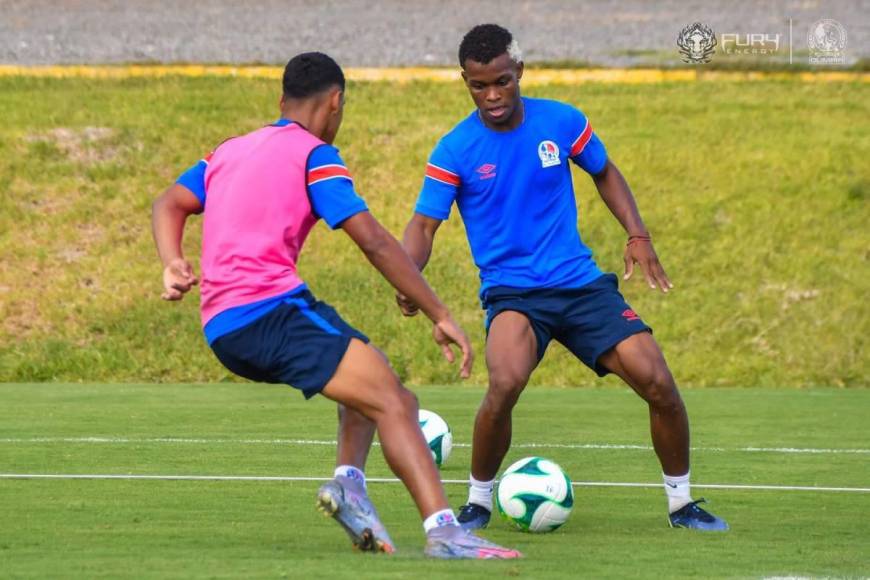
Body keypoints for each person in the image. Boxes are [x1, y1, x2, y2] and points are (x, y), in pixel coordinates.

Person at [151, 52, 521, 559]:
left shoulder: (228, 151)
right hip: (268, 313)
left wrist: (173, 261)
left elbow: (168, 202)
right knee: (396, 403)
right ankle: (445, 533)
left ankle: (349, 485)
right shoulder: (314, 154)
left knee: (374, 381)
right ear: (335, 102)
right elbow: (374, 242)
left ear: (282, 102)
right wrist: (439, 312)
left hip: (224, 322)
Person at [398, 25, 728, 532]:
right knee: (504, 383)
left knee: (659, 382)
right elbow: (424, 224)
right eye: (478, 86)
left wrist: (636, 233)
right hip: (514, 294)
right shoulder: (454, 150)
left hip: (581, 286)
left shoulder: (562, 121)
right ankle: (478, 503)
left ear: (519, 73)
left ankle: (682, 504)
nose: (492, 96)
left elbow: (604, 170)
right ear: (464, 80)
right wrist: (407, 276)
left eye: (502, 82)